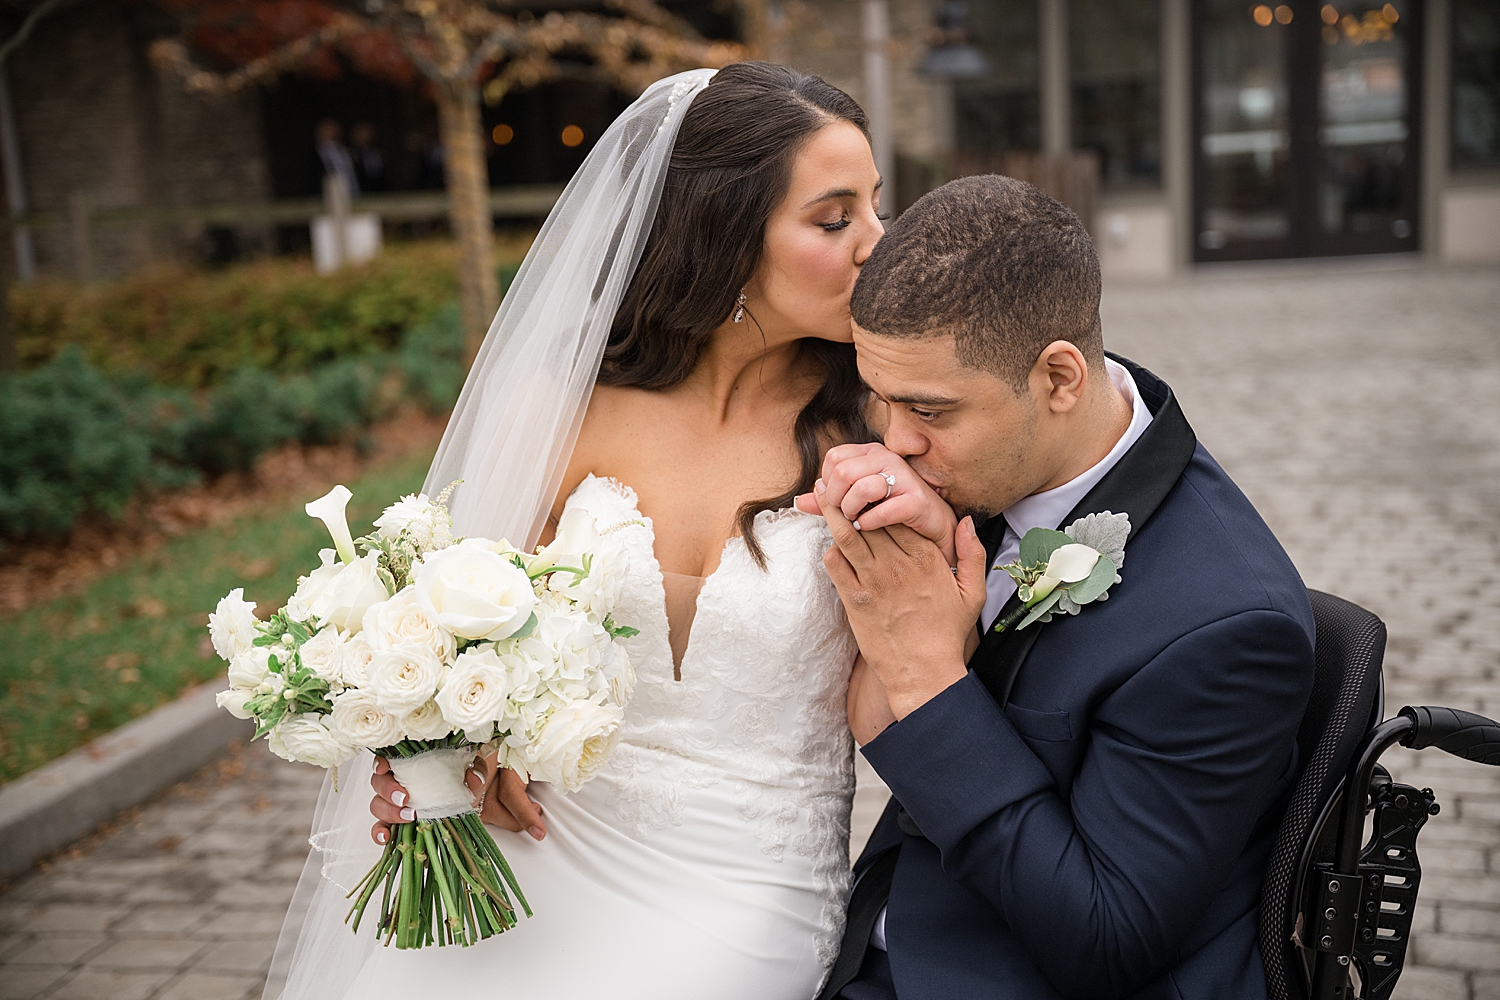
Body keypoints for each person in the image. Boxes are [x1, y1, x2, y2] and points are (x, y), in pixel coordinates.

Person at [263, 63, 885, 1000]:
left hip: (751, 875)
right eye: (835, 219)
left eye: (877, 207)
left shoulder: (881, 422)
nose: (878, 243)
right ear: (724, 235)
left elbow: (911, 683)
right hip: (541, 838)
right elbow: (446, 620)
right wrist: (435, 754)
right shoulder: (557, 408)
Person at [801, 176, 1317, 999]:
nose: (894, 440)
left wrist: (929, 680)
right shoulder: (1003, 468)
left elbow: (1105, 940)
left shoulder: (1227, 625)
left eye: (929, 411)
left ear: (1061, 378)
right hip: (872, 940)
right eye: (880, 397)